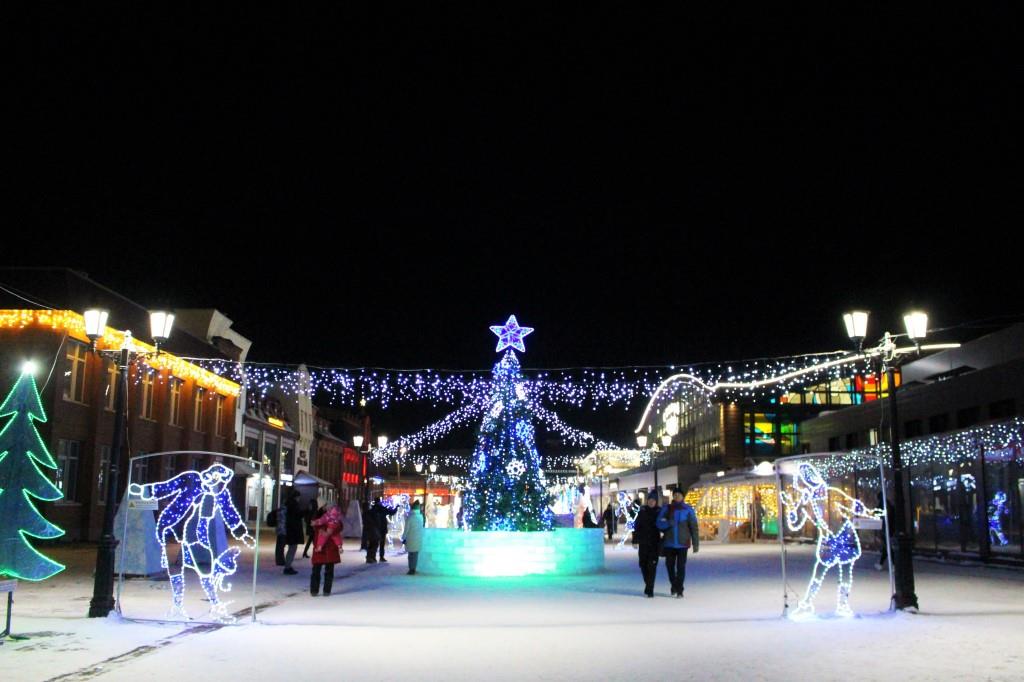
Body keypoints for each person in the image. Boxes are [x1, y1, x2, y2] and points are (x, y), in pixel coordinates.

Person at [656, 489, 700, 598]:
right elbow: (658, 523)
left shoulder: (688, 509)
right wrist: (667, 523)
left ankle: (679, 589)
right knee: (669, 567)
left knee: (681, 567)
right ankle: (674, 585)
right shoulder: (667, 508)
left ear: (683, 496)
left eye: (679, 494)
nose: (677, 496)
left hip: (683, 544)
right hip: (669, 543)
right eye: (675, 495)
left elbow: (694, 527)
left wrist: (695, 543)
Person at [310, 503, 343, 596]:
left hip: (325, 548)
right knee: (323, 570)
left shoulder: (333, 518)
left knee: (319, 570)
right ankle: (322, 590)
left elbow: (338, 527)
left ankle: (318, 590)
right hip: (324, 548)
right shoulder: (320, 517)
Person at [634, 492, 662, 597]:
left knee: (652, 566)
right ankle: (648, 585)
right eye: (650, 500)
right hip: (643, 542)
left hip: (654, 543)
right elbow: (637, 525)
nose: (651, 502)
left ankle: (650, 589)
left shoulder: (659, 511)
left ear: (656, 501)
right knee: (643, 565)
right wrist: (635, 539)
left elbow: (664, 524)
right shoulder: (642, 511)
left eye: (653, 500)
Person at [283, 488, 305, 575]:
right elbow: (297, 515)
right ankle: (287, 566)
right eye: (299, 497)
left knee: (291, 548)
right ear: (296, 497)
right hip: (293, 530)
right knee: (292, 548)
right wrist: (305, 512)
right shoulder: (294, 505)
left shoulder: (288, 504)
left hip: (290, 530)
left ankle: (288, 565)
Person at [402, 500, 426, 575]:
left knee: (411, 555)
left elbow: (406, 529)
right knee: (415, 555)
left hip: (410, 538)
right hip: (418, 538)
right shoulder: (421, 517)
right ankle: (413, 568)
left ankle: (411, 569)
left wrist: (403, 538)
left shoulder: (410, 518)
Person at [874, 491, 895, 570]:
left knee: (887, 547)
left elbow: (877, 514)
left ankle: (892, 564)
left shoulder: (882, 506)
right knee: (887, 547)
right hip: (890, 528)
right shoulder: (889, 505)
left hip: (885, 529)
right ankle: (882, 563)